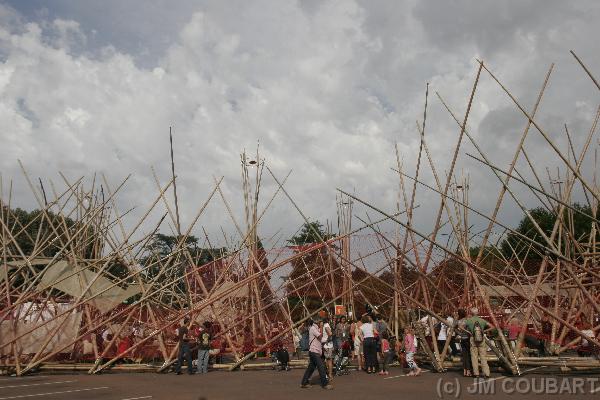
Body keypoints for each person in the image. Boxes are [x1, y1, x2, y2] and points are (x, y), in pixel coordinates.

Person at [301, 318, 333, 390]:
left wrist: (323, 347)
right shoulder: (313, 328)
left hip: (315, 351)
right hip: (314, 351)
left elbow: (319, 340)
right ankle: (325, 384)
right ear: (317, 322)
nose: (321, 324)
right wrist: (321, 327)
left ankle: (304, 382)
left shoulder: (316, 328)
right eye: (320, 322)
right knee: (321, 366)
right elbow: (320, 336)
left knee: (311, 368)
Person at [466, 308, 490, 378]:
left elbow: (461, 326)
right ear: (478, 312)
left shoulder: (469, 321)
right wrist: (483, 331)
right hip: (481, 339)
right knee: (483, 357)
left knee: (474, 357)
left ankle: (476, 373)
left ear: (471, 313)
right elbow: (492, 327)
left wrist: (468, 332)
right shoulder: (482, 320)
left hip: (473, 338)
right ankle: (486, 373)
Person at [457, 308, 472, 377]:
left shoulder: (458, 321)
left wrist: (459, 333)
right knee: (468, 355)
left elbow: (454, 327)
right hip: (468, 338)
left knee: (464, 355)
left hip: (462, 338)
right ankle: (468, 371)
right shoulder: (467, 320)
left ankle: (464, 371)